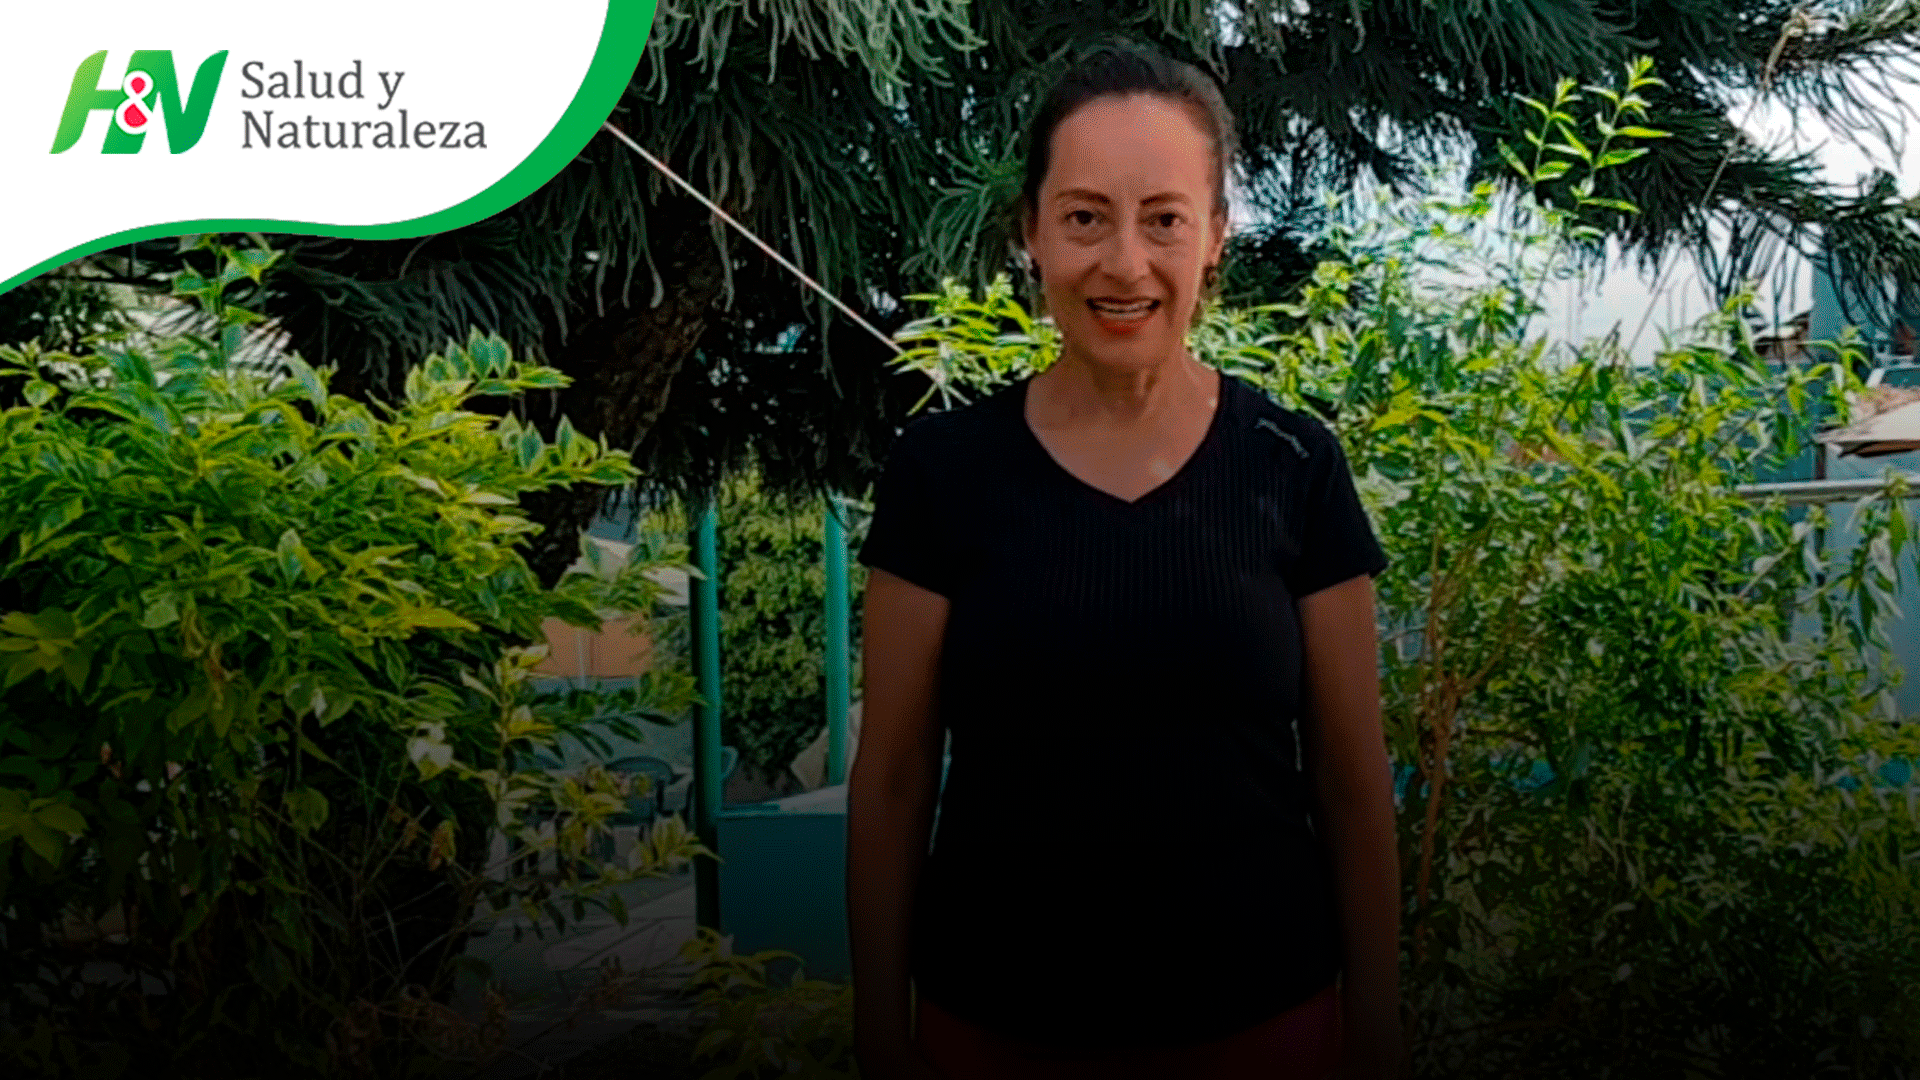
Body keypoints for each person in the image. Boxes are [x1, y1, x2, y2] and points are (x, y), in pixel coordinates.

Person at [847, 40, 1407, 1080]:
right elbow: (891, 781)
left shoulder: (1295, 466)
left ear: (1216, 237)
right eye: (1085, 217)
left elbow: (1351, 778)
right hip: (994, 1034)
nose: (1124, 263)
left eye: (1164, 219)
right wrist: (879, 1028)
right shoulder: (941, 473)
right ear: (1030, 231)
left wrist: (1376, 1024)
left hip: (1266, 1031)